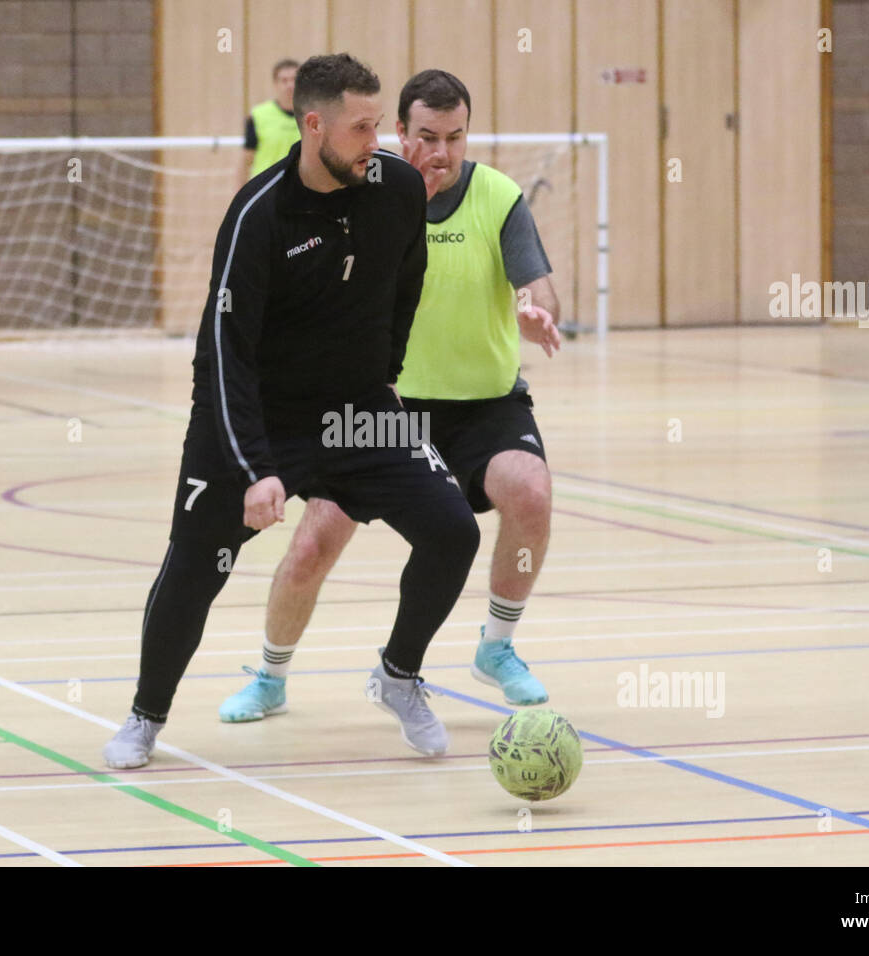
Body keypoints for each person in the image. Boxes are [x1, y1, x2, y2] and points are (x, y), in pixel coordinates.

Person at [103, 54, 480, 769]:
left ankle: (398, 676)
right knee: (195, 566)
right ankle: (145, 717)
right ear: (314, 126)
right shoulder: (258, 213)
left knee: (452, 529)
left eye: (379, 125)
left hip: (358, 413)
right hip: (253, 420)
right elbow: (224, 351)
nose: (380, 140)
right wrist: (255, 468)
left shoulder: (397, 188)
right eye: (362, 126)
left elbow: (408, 280)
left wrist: (385, 379)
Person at [219, 69, 561, 725]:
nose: (441, 152)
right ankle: (270, 675)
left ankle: (497, 647)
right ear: (398, 134)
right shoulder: (365, 196)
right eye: (427, 136)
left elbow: (538, 286)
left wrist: (534, 310)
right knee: (315, 541)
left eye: (455, 137)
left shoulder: (498, 197)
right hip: (386, 411)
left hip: (483, 407)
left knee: (531, 490)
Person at [243, 58, 300, 180]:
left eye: (294, 80)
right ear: (275, 84)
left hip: (300, 189)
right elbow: (246, 160)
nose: (290, 85)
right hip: (266, 187)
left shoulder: (313, 116)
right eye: (284, 80)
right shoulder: (258, 116)